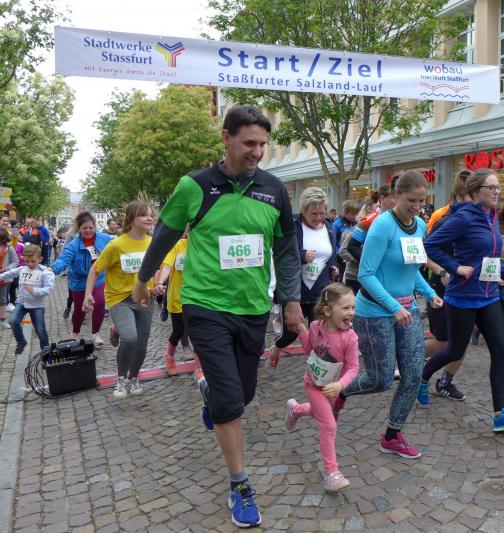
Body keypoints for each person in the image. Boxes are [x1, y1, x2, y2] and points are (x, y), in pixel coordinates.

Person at [133, 106, 301, 528]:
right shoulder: (195, 186)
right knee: (230, 404)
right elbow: (164, 235)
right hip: (205, 305)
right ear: (226, 138)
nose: (257, 152)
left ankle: (212, 393)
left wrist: (291, 299)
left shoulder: (274, 189)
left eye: (262, 144)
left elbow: (286, 248)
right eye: (249, 143)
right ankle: (240, 484)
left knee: (243, 395)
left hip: (253, 307)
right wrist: (143, 278)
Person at [332, 170, 442, 460]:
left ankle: (392, 436)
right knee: (379, 380)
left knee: (413, 375)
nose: (417, 207)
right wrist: (394, 307)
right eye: (411, 200)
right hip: (375, 312)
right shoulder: (382, 226)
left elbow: (412, 268)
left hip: (407, 310)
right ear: (396, 196)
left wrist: (430, 293)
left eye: (422, 201)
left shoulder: (420, 225)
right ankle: (340, 392)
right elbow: (366, 274)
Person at [419, 169, 504, 431]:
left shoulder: (491, 217)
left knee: (499, 351)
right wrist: (454, 268)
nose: (497, 191)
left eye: (498, 187)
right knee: (455, 351)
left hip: (489, 296)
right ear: (476, 191)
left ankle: (500, 414)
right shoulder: (463, 217)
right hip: (463, 297)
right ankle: (422, 377)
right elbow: (430, 246)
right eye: (491, 187)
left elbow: (489, 255)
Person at [284, 283, 360, 492]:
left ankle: (296, 409)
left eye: (353, 307)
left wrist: (340, 384)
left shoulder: (350, 338)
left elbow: (354, 367)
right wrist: (302, 330)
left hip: (332, 388)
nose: (351, 312)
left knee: (317, 412)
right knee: (329, 425)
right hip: (313, 384)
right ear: (327, 311)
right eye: (345, 308)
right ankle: (331, 473)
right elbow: (310, 349)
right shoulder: (316, 327)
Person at [84, 199, 155, 397]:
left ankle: (134, 378)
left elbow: (156, 268)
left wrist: (157, 285)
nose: (149, 218)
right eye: (144, 214)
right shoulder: (116, 245)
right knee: (130, 338)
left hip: (144, 298)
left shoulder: (153, 244)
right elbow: (95, 269)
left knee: (141, 344)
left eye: (150, 215)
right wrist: (88, 294)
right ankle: (121, 379)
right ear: (131, 219)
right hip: (120, 299)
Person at [267, 187, 338, 375]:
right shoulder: (292, 225)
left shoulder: (328, 226)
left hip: (319, 291)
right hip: (295, 291)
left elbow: (330, 252)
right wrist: (302, 255)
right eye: (314, 213)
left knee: (319, 333)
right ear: (303, 210)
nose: (318, 217)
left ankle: (318, 373)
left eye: (321, 213)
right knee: (290, 333)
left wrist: (333, 265)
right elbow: (281, 255)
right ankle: (276, 348)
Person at [422, 170, 471, 401]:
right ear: (462, 194)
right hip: (441, 289)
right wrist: (443, 272)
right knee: (443, 341)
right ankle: (407, 359)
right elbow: (425, 252)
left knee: (461, 341)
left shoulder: (479, 222)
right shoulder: (444, 220)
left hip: (468, 291)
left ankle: (445, 382)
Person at [50, 212, 113, 345]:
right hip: (79, 281)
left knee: (100, 302)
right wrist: (53, 269)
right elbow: (63, 260)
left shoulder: (105, 239)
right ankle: (76, 332)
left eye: (91, 227)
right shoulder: (73, 246)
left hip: (98, 278)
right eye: (84, 228)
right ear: (79, 229)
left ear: (95, 227)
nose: (88, 230)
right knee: (81, 309)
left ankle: (96, 333)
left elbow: (118, 247)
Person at [0, 245, 54, 354]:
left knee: (40, 330)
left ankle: (46, 351)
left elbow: (49, 289)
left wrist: (34, 290)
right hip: (22, 302)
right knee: (14, 321)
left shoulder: (45, 272)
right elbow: (10, 273)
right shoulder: (22, 269)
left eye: (33, 261)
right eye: (27, 261)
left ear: (40, 259)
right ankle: (21, 342)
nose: (30, 264)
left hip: (37, 305)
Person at [153, 228, 191, 375]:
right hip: (178, 296)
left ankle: (200, 366)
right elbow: (167, 266)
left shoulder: (206, 245)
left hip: (201, 297)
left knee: (199, 332)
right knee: (178, 330)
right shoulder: (178, 245)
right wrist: (159, 282)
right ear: (187, 231)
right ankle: (169, 356)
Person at [0, 227, 18, 329]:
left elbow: (15, 261)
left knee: (2, 300)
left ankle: (2, 321)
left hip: (3, 278)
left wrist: (6, 269)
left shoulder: (9, 248)